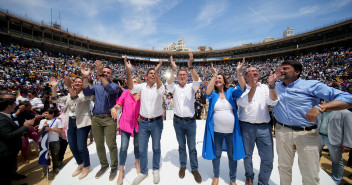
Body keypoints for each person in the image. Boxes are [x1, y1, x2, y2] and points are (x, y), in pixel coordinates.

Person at [272, 60, 352, 185]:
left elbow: (347, 98)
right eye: (281, 68)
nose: (281, 70)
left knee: (310, 173)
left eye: (286, 68)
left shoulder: (311, 85)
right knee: (283, 168)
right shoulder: (275, 86)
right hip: (283, 132)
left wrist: (321, 107)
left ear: (297, 72)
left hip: (307, 134)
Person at [202, 59, 246, 185]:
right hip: (216, 131)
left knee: (233, 156)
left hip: (231, 131)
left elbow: (242, 88)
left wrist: (239, 72)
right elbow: (207, 92)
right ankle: (216, 176)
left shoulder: (230, 91)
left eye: (220, 78)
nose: (218, 80)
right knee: (217, 155)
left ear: (224, 81)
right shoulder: (213, 94)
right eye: (217, 79)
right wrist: (214, 74)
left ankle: (232, 178)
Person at [125, 57, 165, 185]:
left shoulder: (159, 86)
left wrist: (157, 73)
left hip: (157, 122)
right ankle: (143, 171)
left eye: (155, 73)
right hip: (143, 122)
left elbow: (161, 91)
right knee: (142, 149)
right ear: (146, 76)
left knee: (156, 147)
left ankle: (156, 169)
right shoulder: (141, 86)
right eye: (151, 74)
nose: (153, 75)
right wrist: (129, 71)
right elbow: (131, 88)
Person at [237, 67, 279, 185]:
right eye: (251, 71)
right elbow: (244, 102)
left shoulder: (265, 88)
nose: (255, 73)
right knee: (247, 155)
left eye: (256, 71)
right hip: (246, 127)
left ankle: (263, 182)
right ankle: (249, 176)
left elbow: (273, 102)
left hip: (264, 127)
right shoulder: (241, 88)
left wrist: (272, 85)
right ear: (245, 75)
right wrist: (253, 87)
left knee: (268, 158)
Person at [81, 61, 121, 181]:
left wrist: (100, 75)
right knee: (98, 145)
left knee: (111, 144)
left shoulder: (115, 86)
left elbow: (109, 89)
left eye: (108, 73)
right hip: (96, 118)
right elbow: (86, 92)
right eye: (104, 72)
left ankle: (114, 167)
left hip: (109, 118)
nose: (106, 74)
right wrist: (84, 76)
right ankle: (104, 165)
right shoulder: (96, 87)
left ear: (111, 75)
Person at [166, 53, 202, 183]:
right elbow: (168, 82)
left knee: (192, 147)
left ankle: (195, 169)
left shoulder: (191, 87)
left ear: (187, 77)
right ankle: (182, 166)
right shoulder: (174, 87)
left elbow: (197, 81)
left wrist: (190, 67)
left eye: (184, 75)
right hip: (178, 121)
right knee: (181, 146)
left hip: (191, 122)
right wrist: (173, 68)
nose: (182, 76)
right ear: (177, 76)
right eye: (180, 75)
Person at [51, 76, 93, 179]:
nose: (77, 83)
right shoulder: (69, 94)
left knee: (81, 146)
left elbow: (77, 99)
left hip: (82, 122)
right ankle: (80, 163)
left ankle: (86, 166)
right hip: (71, 122)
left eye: (80, 82)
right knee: (73, 146)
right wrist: (54, 87)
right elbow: (55, 100)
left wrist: (69, 86)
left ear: (84, 84)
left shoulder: (87, 94)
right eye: (76, 82)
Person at [111, 77, 141, 185]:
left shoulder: (143, 94)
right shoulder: (126, 92)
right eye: (131, 82)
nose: (133, 83)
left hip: (138, 124)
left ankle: (137, 162)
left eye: (135, 81)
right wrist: (115, 108)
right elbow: (119, 103)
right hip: (125, 124)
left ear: (139, 84)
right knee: (123, 147)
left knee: (137, 145)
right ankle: (121, 170)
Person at [0, 97, 34, 185]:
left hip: (11, 149)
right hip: (5, 151)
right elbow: (8, 135)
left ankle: (14, 176)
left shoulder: (5, 115)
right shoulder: (2, 119)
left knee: (11, 166)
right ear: (8, 106)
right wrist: (25, 127)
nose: (16, 106)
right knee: (5, 173)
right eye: (14, 105)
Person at [318, 108, 352, 184]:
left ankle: (336, 180)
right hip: (319, 136)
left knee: (336, 161)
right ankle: (317, 173)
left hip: (334, 140)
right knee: (315, 157)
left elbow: (349, 129)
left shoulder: (345, 113)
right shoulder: (320, 110)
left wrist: (347, 144)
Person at [38, 107, 63, 176]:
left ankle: (55, 168)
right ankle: (45, 171)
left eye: (46, 113)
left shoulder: (57, 121)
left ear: (52, 114)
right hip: (44, 141)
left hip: (54, 141)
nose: (44, 114)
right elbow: (38, 132)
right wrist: (43, 127)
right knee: (45, 155)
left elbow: (60, 130)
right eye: (44, 113)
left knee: (55, 155)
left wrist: (51, 129)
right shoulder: (42, 121)